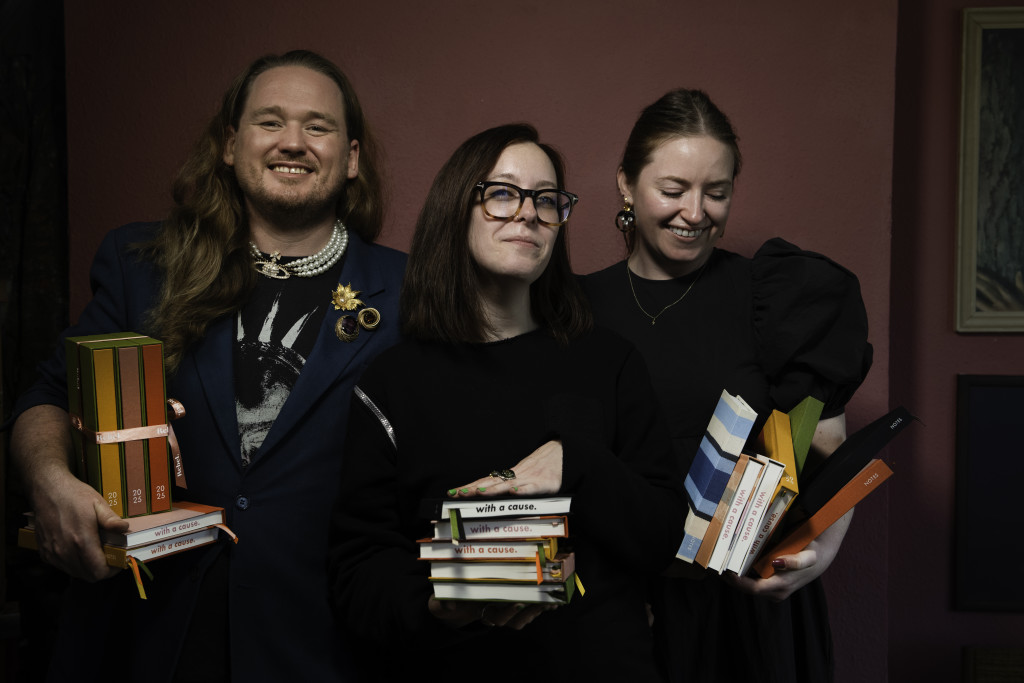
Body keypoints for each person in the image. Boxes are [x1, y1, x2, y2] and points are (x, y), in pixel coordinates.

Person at [9, 50, 406, 682]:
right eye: (269, 121)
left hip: (322, 645)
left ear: (351, 158)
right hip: (147, 634)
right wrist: (50, 480)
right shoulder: (141, 266)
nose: (293, 143)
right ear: (230, 144)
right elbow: (48, 395)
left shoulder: (409, 293)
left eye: (318, 126)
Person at [327, 123, 685, 682]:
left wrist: (576, 465)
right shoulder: (393, 382)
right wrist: (437, 605)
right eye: (501, 194)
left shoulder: (609, 362)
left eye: (547, 200)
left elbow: (664, 535)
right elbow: (358, 570)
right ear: (456, 208)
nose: (527, 213)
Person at [580, 88, 873, 683]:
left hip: (743, 617)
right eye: (673, 190)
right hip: (614, 607)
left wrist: (819, 559)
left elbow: (828, 445)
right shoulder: (575, 306)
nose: (696, 212)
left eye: (717, 193)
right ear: (625, 184)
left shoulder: (777, 299)